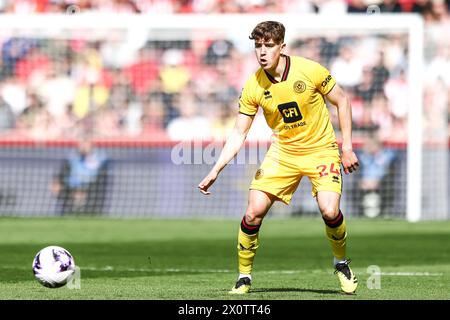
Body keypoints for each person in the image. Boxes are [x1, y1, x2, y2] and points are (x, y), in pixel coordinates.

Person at [198, 21, 360, 294]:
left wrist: (347, 147)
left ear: (282, 47)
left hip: (320, 149)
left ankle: (341, 262)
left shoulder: (309, 70)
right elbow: (239, 132)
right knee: (253, 212)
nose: (262, 52)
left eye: (269, 46)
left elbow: (342, 101)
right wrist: (215, 170)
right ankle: (244, 277)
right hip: (283, 153)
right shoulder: (253, 86)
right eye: (258, 46)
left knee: (330, 210)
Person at [51, 140, 109, 215]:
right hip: (71, 189)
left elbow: (100, 180)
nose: (83, 147)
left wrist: (82, 190)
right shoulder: (71, 159)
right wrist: (56, 183)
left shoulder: (100, 160)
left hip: (90, 190)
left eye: (86, 145)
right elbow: (61, 175)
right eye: (81, 145)